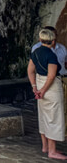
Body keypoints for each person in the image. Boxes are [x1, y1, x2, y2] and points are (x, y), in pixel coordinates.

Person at [29, 28, 67, 159]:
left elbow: (30, 71)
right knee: (53, 117)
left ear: (40, 39)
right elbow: (51, 76)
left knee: (43, 116)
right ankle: (52, 150)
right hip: (50, 87)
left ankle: (45, 146)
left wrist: (35, 88)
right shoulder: (51, 55)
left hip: (39, 83)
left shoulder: (36, 52)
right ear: (53, 40)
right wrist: (43, 90)